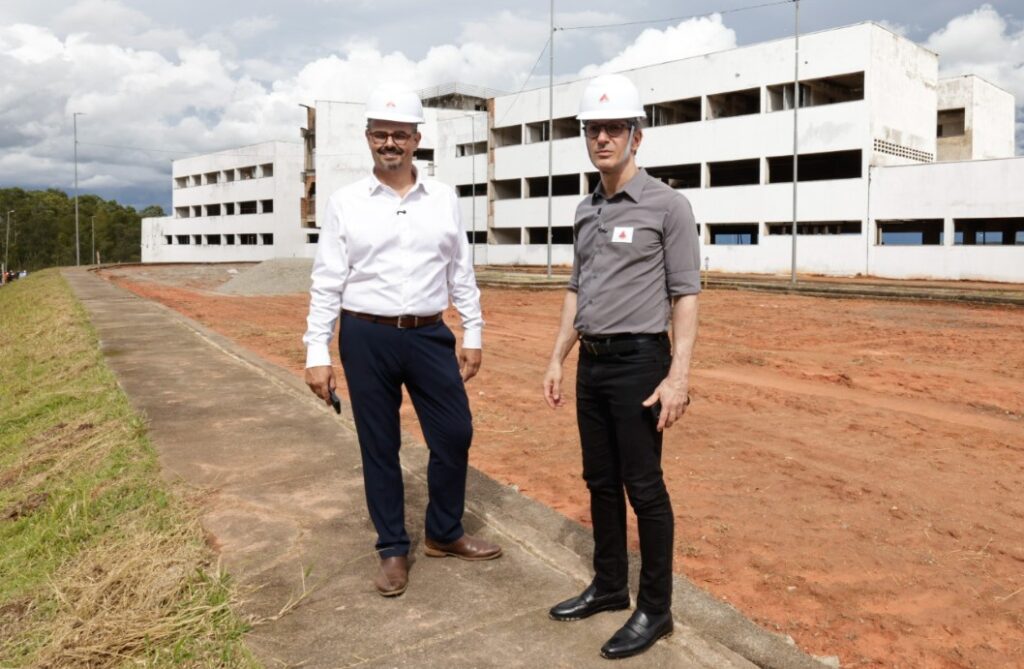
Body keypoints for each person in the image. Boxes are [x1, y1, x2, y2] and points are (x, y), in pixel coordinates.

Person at [303, 83, 501, 598]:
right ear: (369, 138)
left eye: (400, 134)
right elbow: (327, 280)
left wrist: (472, 332)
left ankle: (444, 531)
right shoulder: (346, 202)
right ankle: (393, 548)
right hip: (366, 335)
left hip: (429, 334)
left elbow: (461, 269)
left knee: (454, 433)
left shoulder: (443, 198)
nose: (389, 142)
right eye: (380, 134)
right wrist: (316, 352)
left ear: (417, 139)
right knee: (379, 446)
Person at [542, 73, 701, 660]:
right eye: (593, 129)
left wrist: (677, 377)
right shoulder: (587, 208)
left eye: (614, 128)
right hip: (593, 364)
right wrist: (557, 357)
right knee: (600, 483)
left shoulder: (668, 205)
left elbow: (685, 295)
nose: (602, 138)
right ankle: (609, 586)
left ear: (638, 135)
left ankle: (655, 609)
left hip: (640, 363)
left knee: (644, 488)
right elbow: (576, 289)